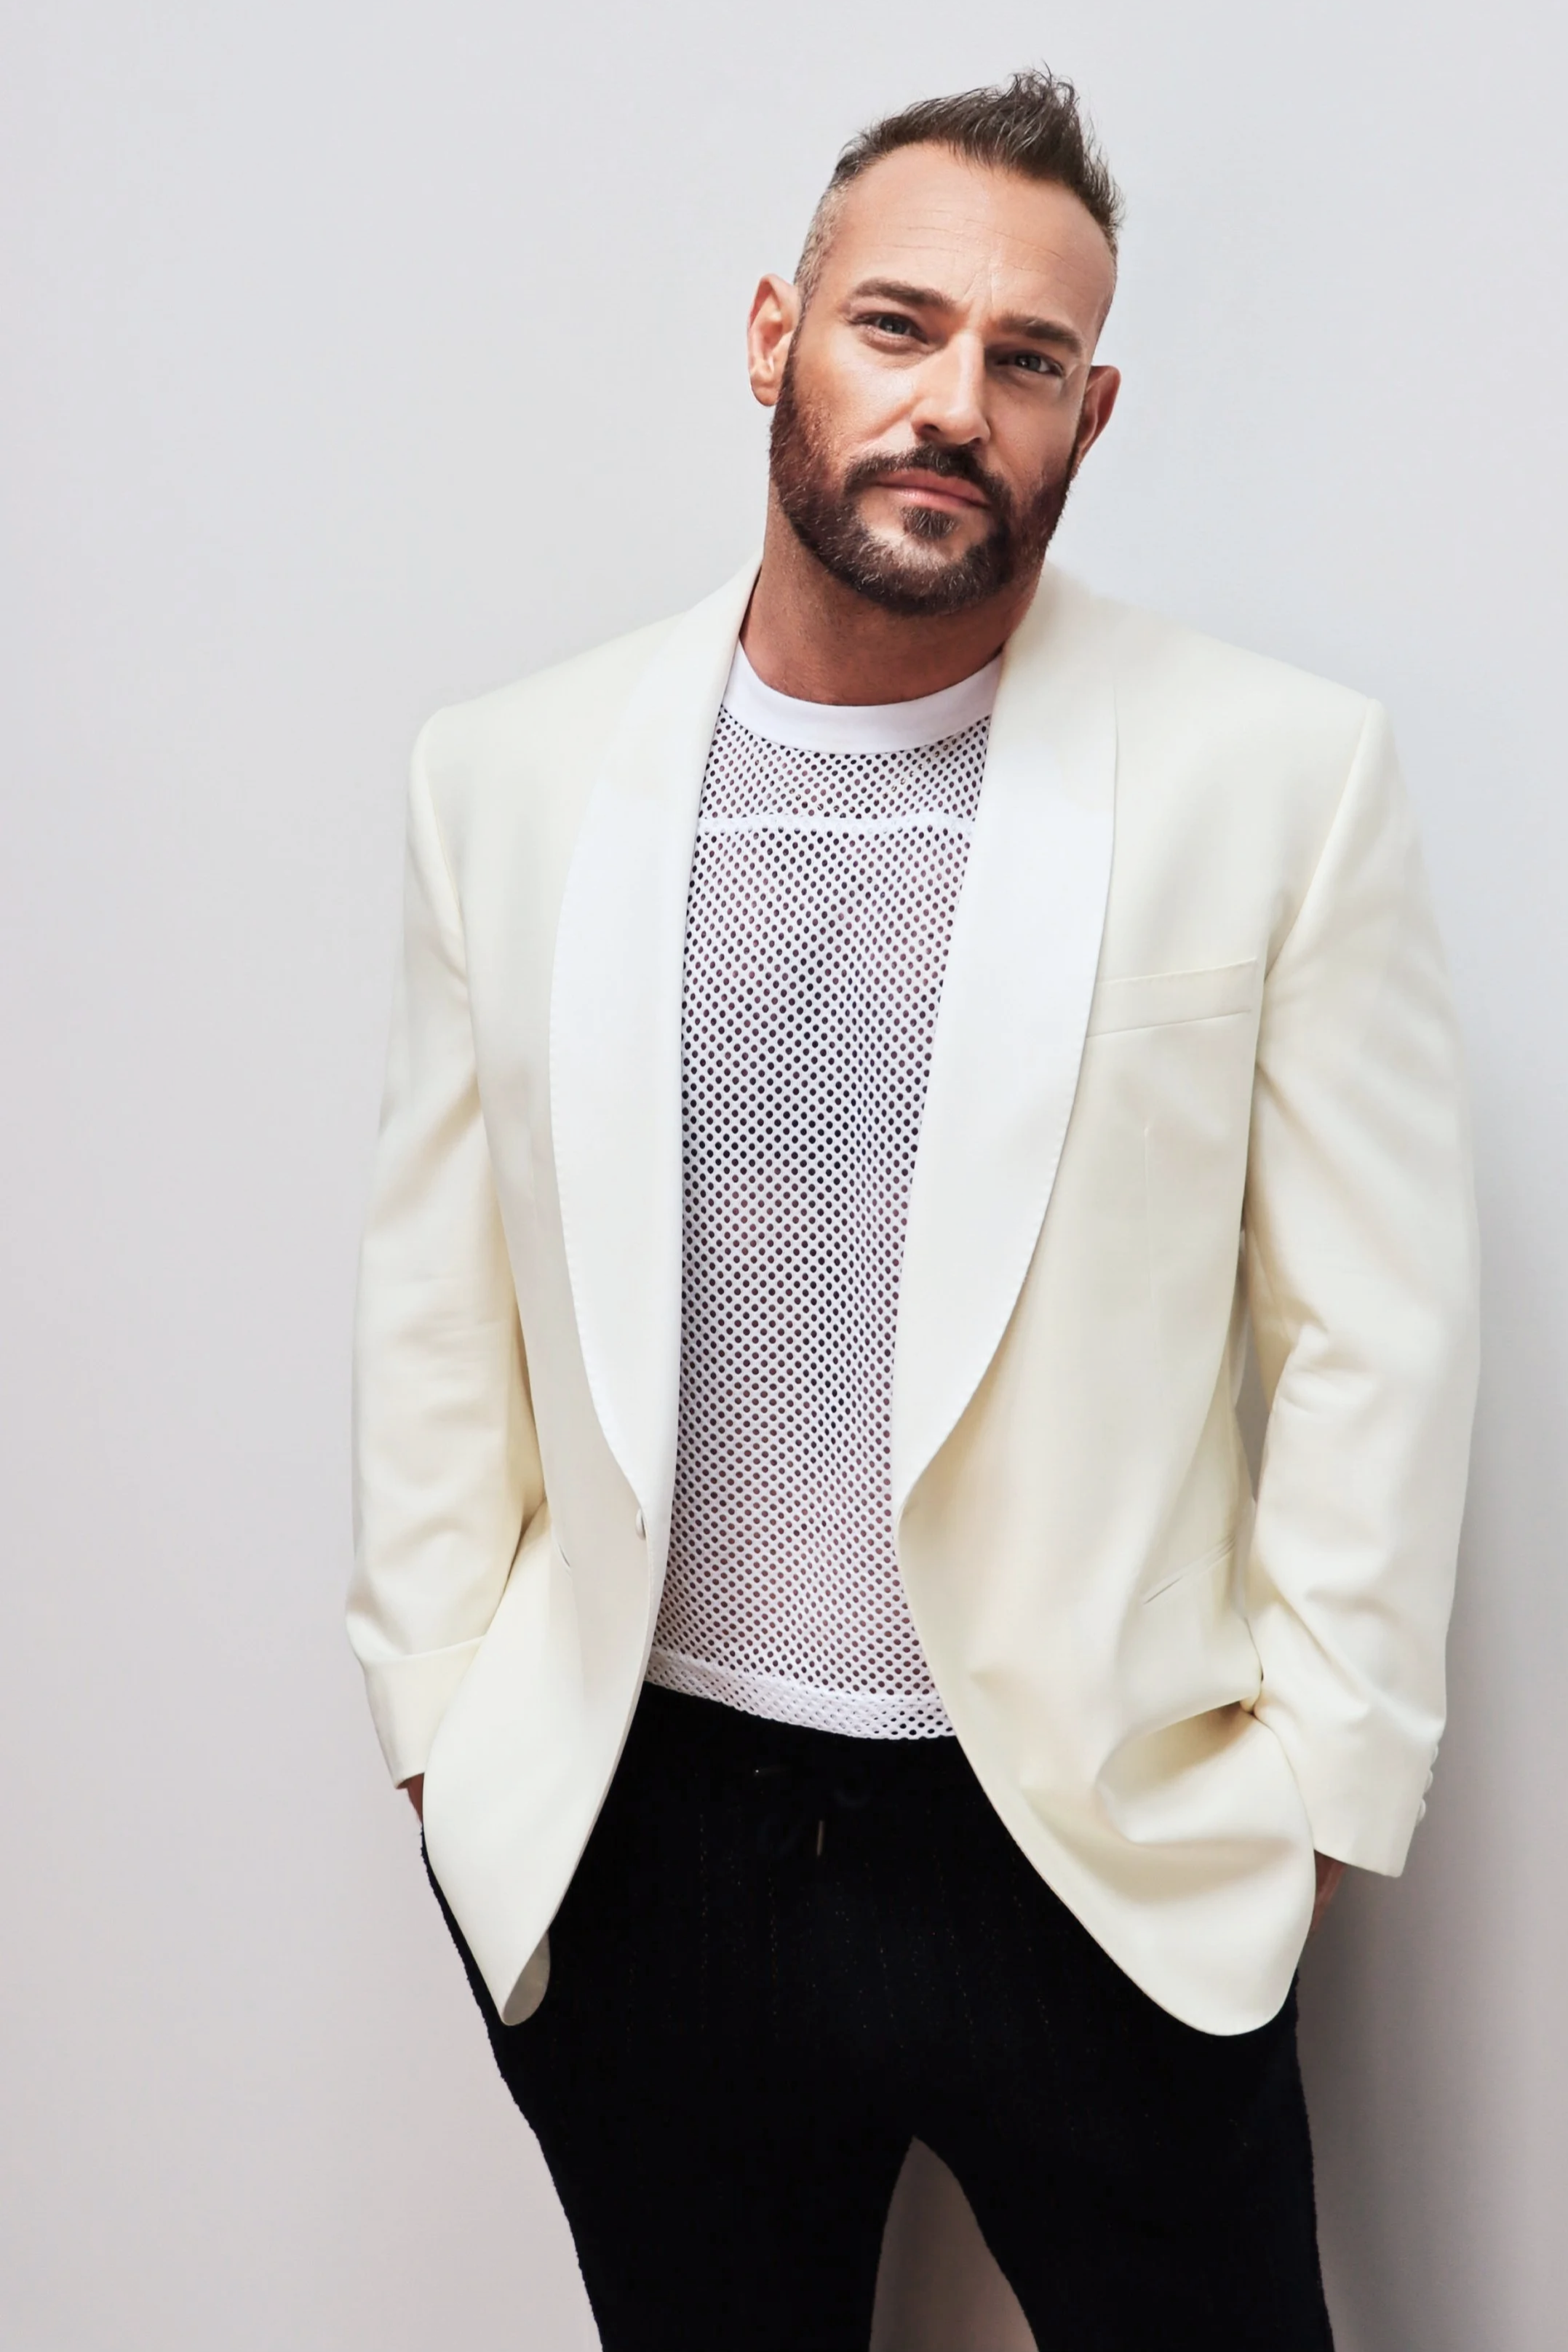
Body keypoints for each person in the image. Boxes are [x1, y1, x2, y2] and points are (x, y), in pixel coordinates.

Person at [348, 69, 1478, 2352]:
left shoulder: (1276, 776)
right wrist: (437, 1715)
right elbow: (432, 1297)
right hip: (648, 1838)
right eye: (900, 324)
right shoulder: (506, 777)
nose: (956, 400)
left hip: (1091, 1852)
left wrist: (1317, 1803)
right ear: (776, 334)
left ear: (1092, 407)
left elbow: (1378, 1321)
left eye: (1028, 359)